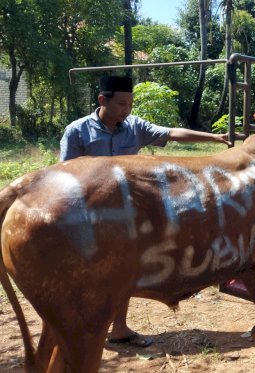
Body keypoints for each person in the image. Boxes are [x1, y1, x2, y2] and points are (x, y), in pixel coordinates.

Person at [59, 75, 231, 347]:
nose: (126, 110)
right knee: (87, 273)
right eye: (121, 104)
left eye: (130, 104)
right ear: (103, 100)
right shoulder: (78, 131)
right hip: (88, 215)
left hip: (125, 216)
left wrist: (213, 137)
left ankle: (119, 328)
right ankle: (77, 329)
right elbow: (64, 175)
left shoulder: (134, 127)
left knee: (121, 271)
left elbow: (171, 133)